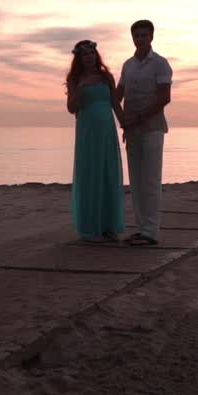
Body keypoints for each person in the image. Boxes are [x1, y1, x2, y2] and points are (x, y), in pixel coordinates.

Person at [115, 20, 172, 246]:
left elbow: (164, 97)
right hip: (133, 130)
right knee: (136, 181)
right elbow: (118, 93)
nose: (140, 39)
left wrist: (138, 118)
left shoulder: (160, 64)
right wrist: (123, 120)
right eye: (136, 35)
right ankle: (141, 228)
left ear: (151, 37)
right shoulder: (127, 65)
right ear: (132, 37)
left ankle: (151, 231)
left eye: (143, 35)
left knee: (150, 180)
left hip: (152, 128)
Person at [65, 39, 126, 243]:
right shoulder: (75, 78)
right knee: (90, 175)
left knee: (107, 174)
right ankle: (90, 228)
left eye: (92, 53)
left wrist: (127, 126)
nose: (89, 57)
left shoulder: (106, 77)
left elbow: (115, 105)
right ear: (79, 58)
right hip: (87, 131)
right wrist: (81, 86)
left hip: (107, 131)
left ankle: (108, 226)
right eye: (85, 54)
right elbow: (72, 108)